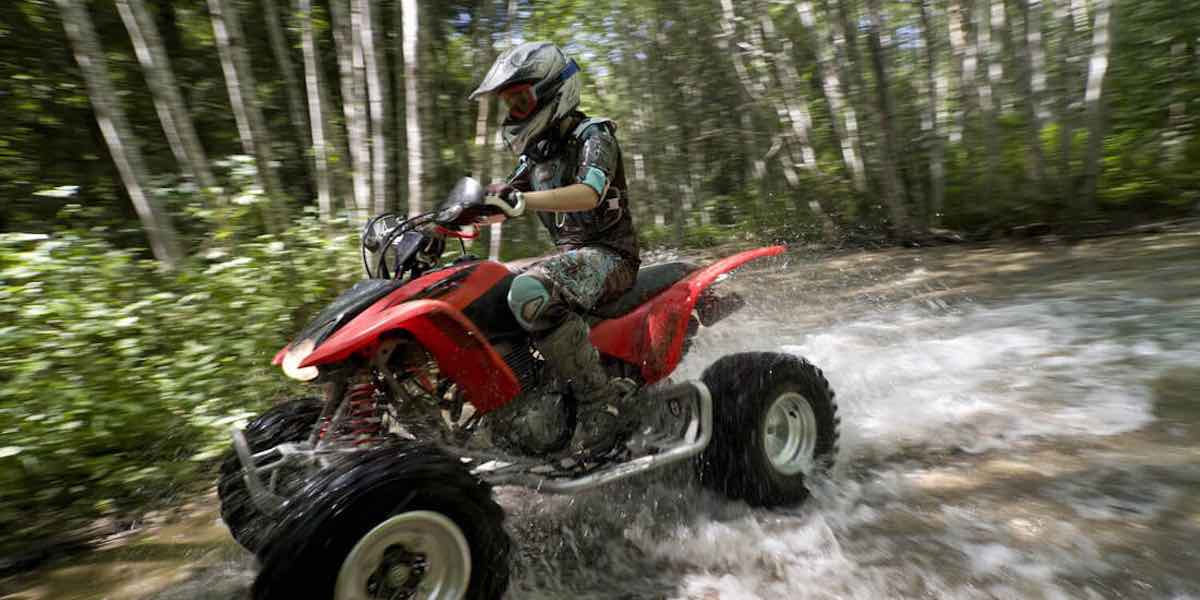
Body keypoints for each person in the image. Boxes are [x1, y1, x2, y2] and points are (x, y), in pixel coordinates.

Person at [468, 42, 640, 458]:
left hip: (611, 257)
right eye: (510, 103)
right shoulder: (536, 154)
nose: (516, 112)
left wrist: (523, 202)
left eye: (522, 100)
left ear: (552, 90)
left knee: (528, 291)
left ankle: (602, 401)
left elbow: (588, 193)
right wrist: (454, 218)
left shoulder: (593, 134)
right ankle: (517, 404)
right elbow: (505, 200)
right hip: (573, 260)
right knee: (480, 287)